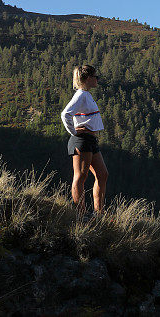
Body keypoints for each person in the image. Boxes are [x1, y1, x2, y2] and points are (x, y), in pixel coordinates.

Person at [61, 64, 108, 218]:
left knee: (102, 174)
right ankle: (81, 214)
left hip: (90, 140)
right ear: (87, 78)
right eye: (95, 76)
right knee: (80, 176)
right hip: (82, 140)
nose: (97, 79)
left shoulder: (86, 94)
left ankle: (98, 213)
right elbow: (65, 114)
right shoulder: (81, 95)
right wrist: (74, 132)